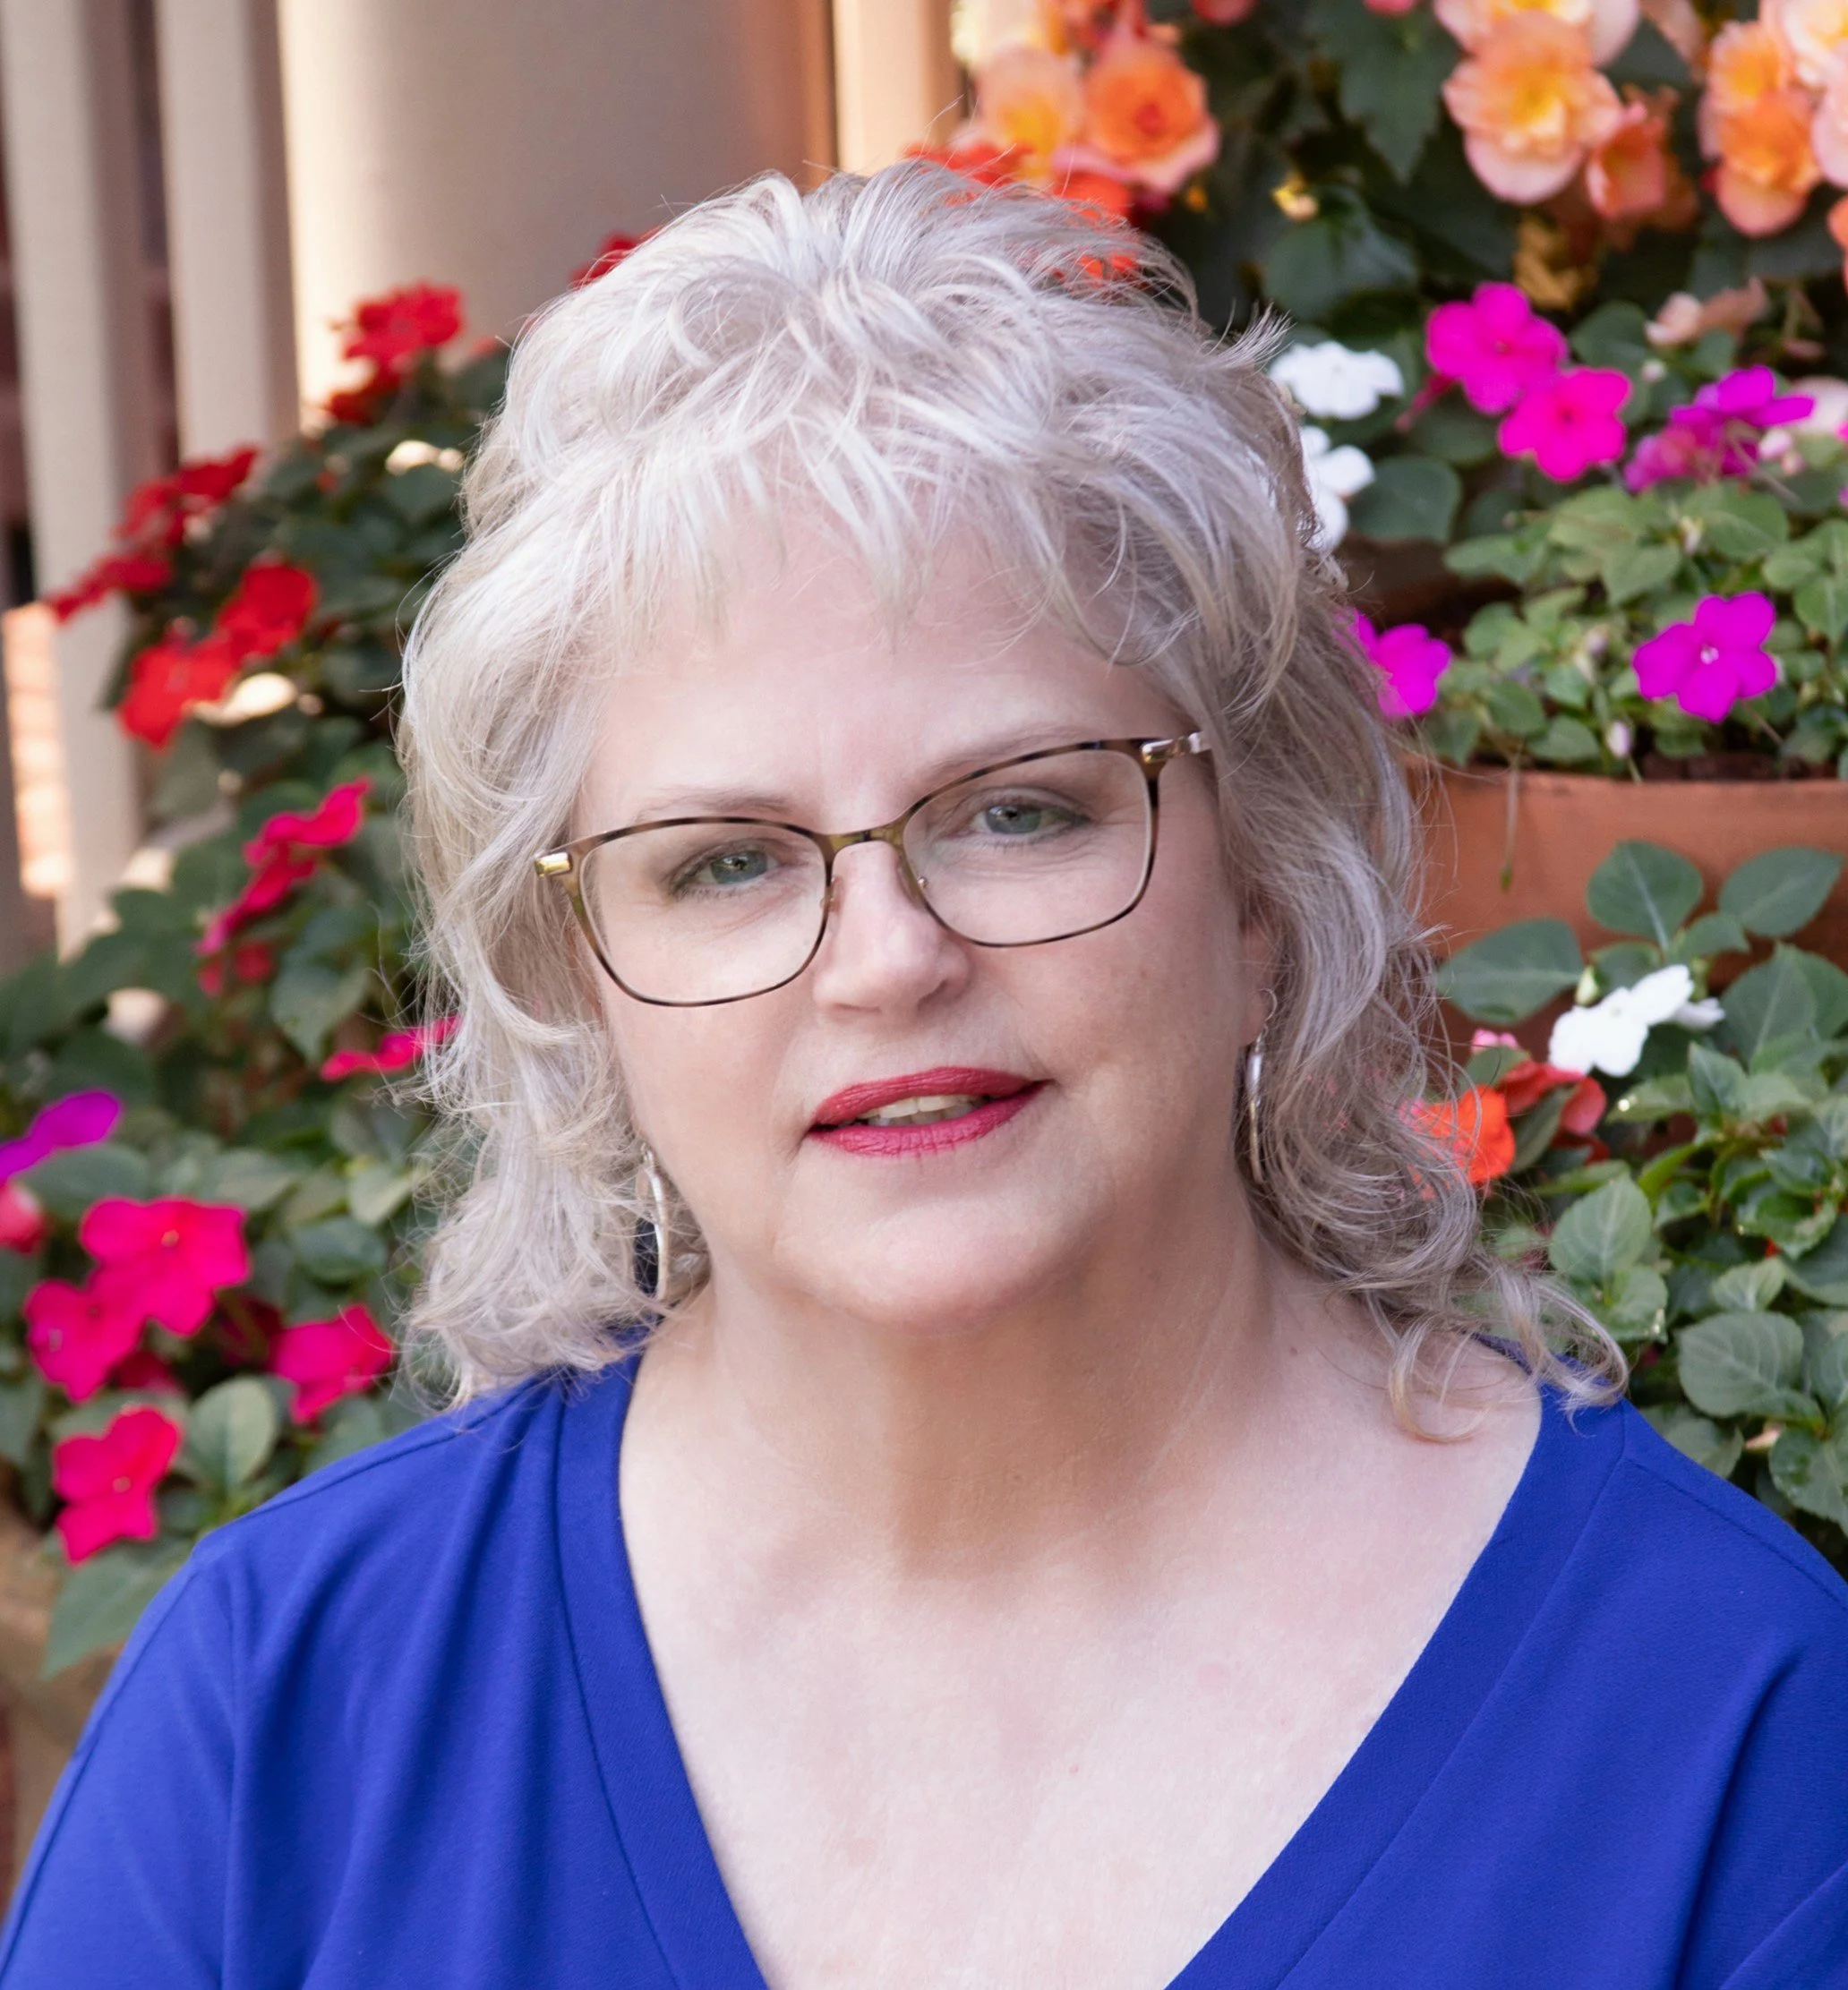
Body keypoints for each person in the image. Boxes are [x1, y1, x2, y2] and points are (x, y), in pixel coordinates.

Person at [4, 166, 1847, 1990]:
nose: (888, 960)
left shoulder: (1731, 1731)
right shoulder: (279, 1713)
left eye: (1020, 810)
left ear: (1266, 880)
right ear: (578, 980)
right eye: (725, 861)